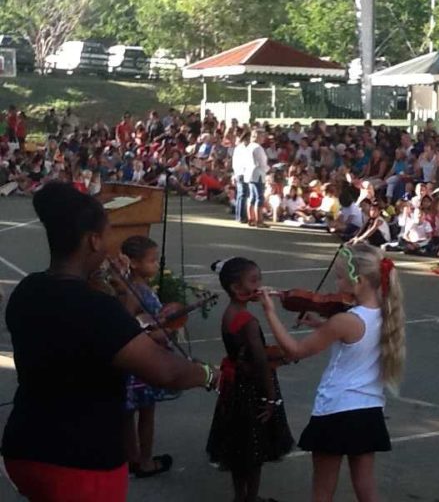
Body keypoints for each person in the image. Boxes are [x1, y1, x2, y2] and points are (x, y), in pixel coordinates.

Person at [1, 182, 217, 502]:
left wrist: (107, 282)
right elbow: (166, 372)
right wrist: (209, 374)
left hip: (24, 447)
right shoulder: (95, 309)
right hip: (81, 461)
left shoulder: (29, 290)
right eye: (107, 235)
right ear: (93, 240)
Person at [260, 243, 405, 502]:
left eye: (340, 277)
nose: (337, 283)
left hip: (337, 409)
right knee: (366, 488)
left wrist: (270, 313)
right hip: (369, 410)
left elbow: (294, 350)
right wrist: (322, 325)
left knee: (323, 492)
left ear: (358, 281)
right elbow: (358, 340)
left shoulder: (344, 321)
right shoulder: (387, 313)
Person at [206, 257, 294, 502]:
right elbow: (260, 361)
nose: (260, 285)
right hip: (252, 388)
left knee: (239, 448)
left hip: (235, 387)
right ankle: (251, 498)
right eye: (254, 281)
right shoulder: (248, 322)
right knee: (254, 451)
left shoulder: (230, 314)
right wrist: (270, 396)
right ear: (236, 287)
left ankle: (239, 497)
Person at [118, 236, 177, 479]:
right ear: (133, 263)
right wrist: (158, 333)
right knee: (145, 413)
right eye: (152, 260)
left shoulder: (136, 288)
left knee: (130, 412)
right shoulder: (134, 291)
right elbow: (126, 324)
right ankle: (144, 460)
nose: (156, 265)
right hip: (143, 361)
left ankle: (132, 456)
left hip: (137, 359)